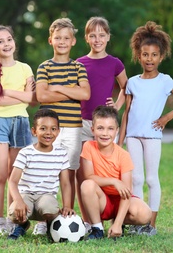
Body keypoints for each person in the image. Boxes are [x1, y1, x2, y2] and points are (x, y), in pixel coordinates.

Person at [118, 21, 173, 236]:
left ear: (161, 57)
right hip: (132, 135)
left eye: (154, 55)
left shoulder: (165, 81)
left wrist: (166, 118)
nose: (149, 59)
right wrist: (119, 140)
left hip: (152, 136)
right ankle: (137, 221)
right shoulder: (132, 82)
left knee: (151, 179)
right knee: (136, 179)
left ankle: (151, 225)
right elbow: (126, 113)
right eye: (145, 54)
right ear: (138, 56)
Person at [34, 18, 91, 235]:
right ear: (50, 40)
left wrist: (56, 87)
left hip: (73, 127)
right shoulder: (44, 67)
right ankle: (42, 219)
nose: (62, 41)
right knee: (45, 170)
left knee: (69, 172)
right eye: (58, 38)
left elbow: (85, 93)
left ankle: (68, 213)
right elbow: (41, 95)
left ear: (74, 41)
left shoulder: (79, 67)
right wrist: (69, 89)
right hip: (50, 128)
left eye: (66, 38)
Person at [0, 25, 36, 235]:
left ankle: (14, 219)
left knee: (16, 175)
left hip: (21, 122)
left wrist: (9, 92)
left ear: (14, 42)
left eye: (9, 39)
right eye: (0, 41)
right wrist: (19, 94)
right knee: (1, 174)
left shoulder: (25, 68)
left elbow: (31, 99)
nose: (6, 44)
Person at [76, 16, 128, 227]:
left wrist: (117, 104)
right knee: (83, 176)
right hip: (83, 124)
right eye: (92, 35)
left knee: (108, 172)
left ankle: (116, 215)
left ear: (108, 37)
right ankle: (88, 221)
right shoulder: (79, 63)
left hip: (105, 126)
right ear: (87, 38)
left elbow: (126, 87)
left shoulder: (114, 63)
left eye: (101, 35)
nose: (97, 39)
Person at [80, 106, 152, 239]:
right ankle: (97, 229)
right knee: (87, 185)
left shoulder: (123, 155)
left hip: (121, 200)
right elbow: (89, 176)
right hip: (102, 200)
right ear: (92, 129)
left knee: (145, 214)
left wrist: (118, 223)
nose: (105, 133)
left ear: (117, 131)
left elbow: (126, 192)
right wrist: (114, 181)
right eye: (100, 128)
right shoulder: (88, 147)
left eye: (110, 128)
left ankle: (119, 222)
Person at [7, 109, 75, 240]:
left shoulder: (61, 154)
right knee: (15, 211)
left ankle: (51, 225)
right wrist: (18, 200)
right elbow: (12, 181)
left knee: (49, 207)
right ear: (34, 131)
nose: (48, 133)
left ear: (58, 132)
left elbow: (66, 183)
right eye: (43, 128)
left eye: (53, 129)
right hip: (26, 195)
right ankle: (22, 225)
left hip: (46, 196)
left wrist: (67, 205)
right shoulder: (26, 153)